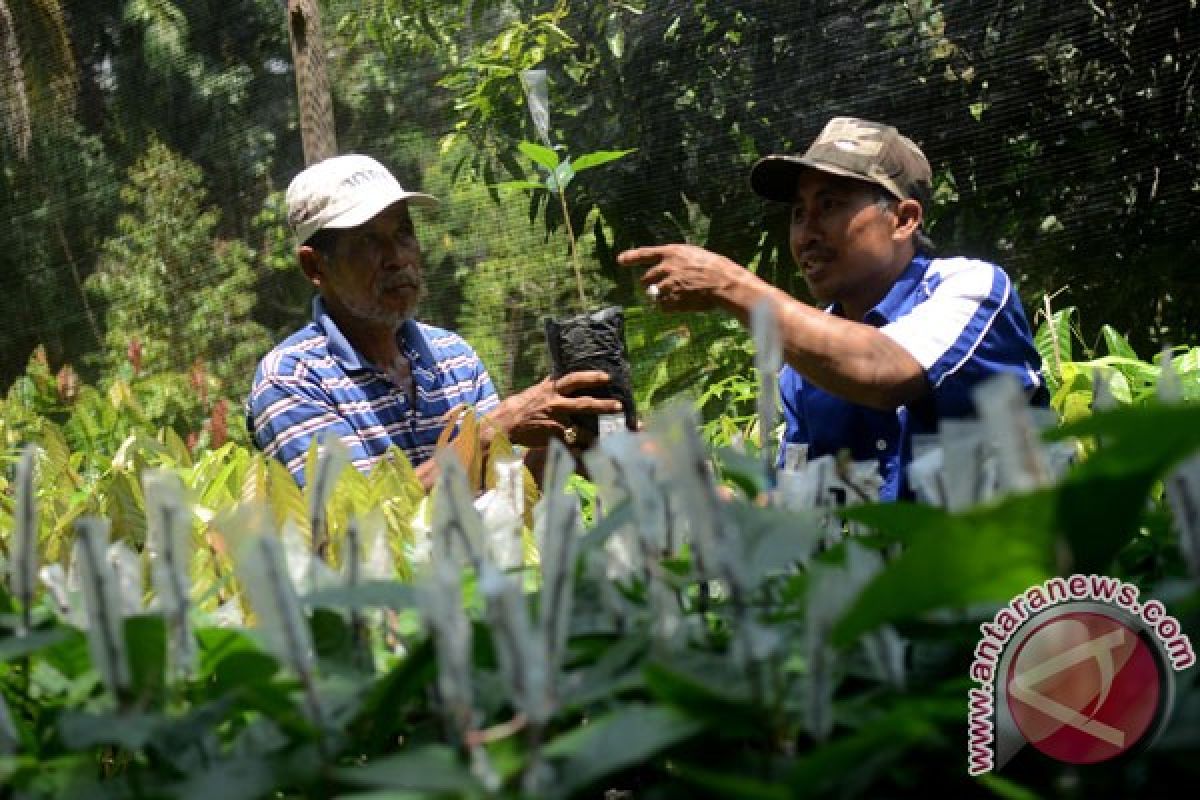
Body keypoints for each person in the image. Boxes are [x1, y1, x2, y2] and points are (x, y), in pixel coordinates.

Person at [618, 116, 1047, 501]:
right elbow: (791, 519)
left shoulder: (969, 287)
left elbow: (882, 371)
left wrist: (730, 284)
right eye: (799, 214)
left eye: (830, 205)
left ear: (904, 219)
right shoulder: (805, 364)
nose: (807, 233)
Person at [247, 153, 622, 488]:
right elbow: (352, 528)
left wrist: (561, 442)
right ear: (314, 266)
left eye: (403, 233)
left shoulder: (453, 355)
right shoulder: (292, 378)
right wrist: (488, 435)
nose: (397, 257)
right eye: (368, 241)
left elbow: (500, 491)